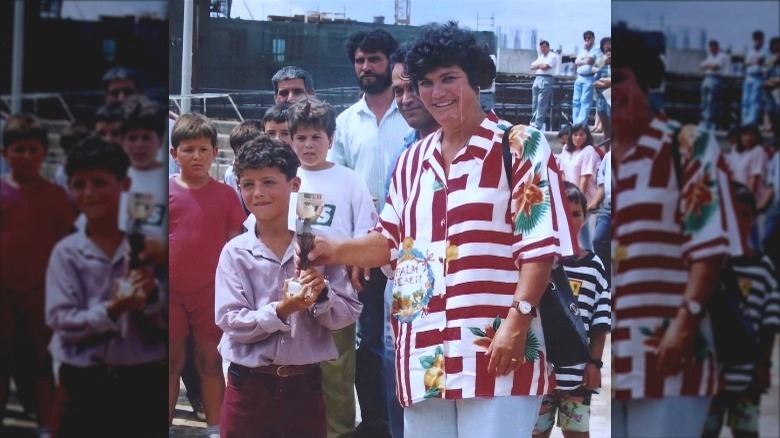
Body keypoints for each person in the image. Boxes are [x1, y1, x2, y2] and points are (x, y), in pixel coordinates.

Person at [306, 21, 577, 438]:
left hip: (495, 347)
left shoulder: (521, 145)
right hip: (423, 355)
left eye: (449, 78)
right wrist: (337, 249)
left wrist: (518, 321)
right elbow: (388, 241)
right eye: (426, 82)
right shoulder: (412, 160)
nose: (436, 92)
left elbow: (539, 246)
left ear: (477, 80)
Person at [611, 23, 743, 437]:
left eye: (621, 79)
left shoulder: (686, 144)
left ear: (646, 81)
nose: (612, 91)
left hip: (670, 355)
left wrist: (685, 325)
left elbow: (710, 247)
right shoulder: (603, 162)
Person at [215, 136, 362, 438]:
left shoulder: (319, 248)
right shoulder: (235, 252)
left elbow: (347, 314)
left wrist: (322, 295)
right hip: (248, 387)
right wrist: (281, 311)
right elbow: (230, 320)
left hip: (304, 387)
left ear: (294, 185)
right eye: (247, 184)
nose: (258, 193)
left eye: (269, 182)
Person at [46, 137, 167, 438]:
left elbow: (169, 323)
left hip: (142, 385)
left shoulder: (150, 249)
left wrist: (152, 297)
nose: (89, 193)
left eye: (99, 182)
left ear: (125, 185)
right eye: (79, 184)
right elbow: (61, 321)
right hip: (82, 386)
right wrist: (112, 310)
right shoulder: (66, 252)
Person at [328, 28, 410, 438]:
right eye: (360, 60)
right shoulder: (344, 123)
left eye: (374, 59)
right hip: (362, 251)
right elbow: (336, 187)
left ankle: (402, 423)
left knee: (404, 340)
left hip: (407, 251)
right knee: (368, 342)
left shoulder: (413, 115)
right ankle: (375, 421)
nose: (366, 67)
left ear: (390, 62)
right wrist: (353, 252)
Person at [287, 98, 377, 438]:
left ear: (331, 138)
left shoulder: (350, 180)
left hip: (336, 295)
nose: (309, 145)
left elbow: (366, 232)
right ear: (291, 139)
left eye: (316, 137)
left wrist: (354, 262)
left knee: (337, 374)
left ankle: (339, 432)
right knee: (294, 372)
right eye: (301, 138)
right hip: (291, 294)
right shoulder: (285, 178)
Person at [168, 113, 246, 438]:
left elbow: (237, 246)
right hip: (169, 294)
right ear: (174, 154)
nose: (196, 156)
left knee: (210, 363)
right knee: (169, 363)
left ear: (215, 153)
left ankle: (215, 429)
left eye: (203, 149)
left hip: (210, 294)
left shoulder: (227, 195)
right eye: (188, 149)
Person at [0, 114, 76, 438]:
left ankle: (47, 424)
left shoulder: (56, 196)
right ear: (5, 154)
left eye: (33, 149)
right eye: (19, 149)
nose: (27, 156)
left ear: (44, 152)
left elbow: (70, 246)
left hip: (42, 296)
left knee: (43, 363)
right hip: (2, 295)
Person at [384, 41, 442, 438]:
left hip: (463, 319)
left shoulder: (497, 146)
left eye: (413, 87)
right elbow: (389, 235)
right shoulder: (403, 155)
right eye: (398, 91)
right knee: (402, 403)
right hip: (405, 305)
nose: (406, 99)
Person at [701, 182, 780, 438]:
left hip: (748, 375)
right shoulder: (709, 265)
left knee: (745, 432)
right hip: (712, 375)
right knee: (707, 431)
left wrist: (764, 365)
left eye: (747, 214)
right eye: (734, 213)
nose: (741, 220)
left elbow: (769, 321)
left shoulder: (763, 267)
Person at [532, 182, 611, 438]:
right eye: (562, 213)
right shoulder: (536, 264)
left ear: (585, 218)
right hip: (539, 372)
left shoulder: (594, 266)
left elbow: (601, 320)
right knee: (535, 433)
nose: (569, 220)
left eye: (576, 214)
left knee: (576, 434)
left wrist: (595, 363)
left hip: (577, 374)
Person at [557, 123, 602, 252]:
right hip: (570, 196)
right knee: (576, 230)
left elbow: (585, 178)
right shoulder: (566, 149)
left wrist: (579, 200)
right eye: (575, 134)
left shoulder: (589, 151)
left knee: (581, 230)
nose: (578, 137)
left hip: (585, 198)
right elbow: (563, 174)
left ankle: (588, 257)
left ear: (587, 136)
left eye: (581, 134)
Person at [726, 124, 770, 251]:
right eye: (745, 134)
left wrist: (747, 200)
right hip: (737, 196)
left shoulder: (758, 151)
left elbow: (754, 179)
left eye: (752, 135)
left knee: (752, 231)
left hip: (752, 199)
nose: (748, 138)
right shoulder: (735, 151)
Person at [587, 149, 612, 285]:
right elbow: (601, 186)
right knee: (598, 240)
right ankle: (606, 277)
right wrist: (592, 204)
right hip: (607, 208)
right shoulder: (608, 157)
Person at [699, 40, 730, 130]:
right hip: (707, 78)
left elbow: (715, 67)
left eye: (713, 47)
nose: (711, 49)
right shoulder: (710, 56)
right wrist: (709, 65)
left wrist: (708, 66)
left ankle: (709, 122)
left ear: (717, 47)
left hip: (716, 79)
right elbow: (701, 66)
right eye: (710, 47)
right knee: (704, 101)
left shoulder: (722, 56)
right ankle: (704, 121)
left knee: (711, 102)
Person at [530, 40, 559, 131]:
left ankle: (538, 124)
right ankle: (533, 122)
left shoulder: (553, 56)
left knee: (541, 102)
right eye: (541, 47)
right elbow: (531, 66)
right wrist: (540, 65)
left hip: (546, 79)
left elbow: (546, 67)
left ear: (548, 47)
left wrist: (538, 65)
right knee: (535, 102)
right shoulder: (541, 56)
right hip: (537, 78)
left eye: (544, 47)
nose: (543, 49)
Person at [572, 31, 599, 126]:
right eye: (585, 38)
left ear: (593, 38)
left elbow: (590, 61)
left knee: (585, 101)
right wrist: (584, 59)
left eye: (589, 38)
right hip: (579, 77)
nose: (587, 40)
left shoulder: (596, 49)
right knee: (576, 101)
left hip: (589, 78)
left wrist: (582, 60)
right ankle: (575, 124)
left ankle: (581, 124)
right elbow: (576, 61)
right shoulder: (583, 50)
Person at [743, 31, 768, 126]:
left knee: (755, 100)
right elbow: (746, 63)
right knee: (746, 100)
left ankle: (751, 123)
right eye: (755, 39)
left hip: (758, 77)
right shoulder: (750, 50)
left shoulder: (765, 50)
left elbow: (760, 61)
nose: (756, 41)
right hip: (749, 76)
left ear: (762, 39)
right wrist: (754, 61)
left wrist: (753, 61)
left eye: (758, 39)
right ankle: (745, 121)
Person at [593, 37, 612, 139]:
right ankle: (607, 154)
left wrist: (604, 81)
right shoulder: (601, 63)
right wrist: (608, 82)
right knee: (606, 133)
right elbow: (595, 82)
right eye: (605, 46)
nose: (608, 51)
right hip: (602, 100)